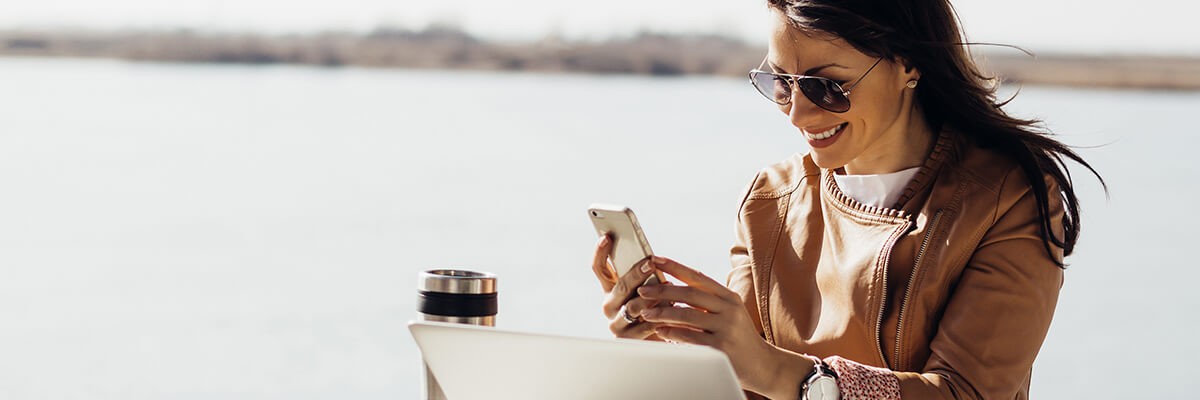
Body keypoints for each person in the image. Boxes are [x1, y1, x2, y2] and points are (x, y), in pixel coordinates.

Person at [589, 0, 1105, 399]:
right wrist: (663, 339)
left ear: (909, 64)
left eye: (827, 86)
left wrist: (779, 371)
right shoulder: (773, 200)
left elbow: (963, 392)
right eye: (782, 84)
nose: (798, 114)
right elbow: (742, 387)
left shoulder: (1007, 197)